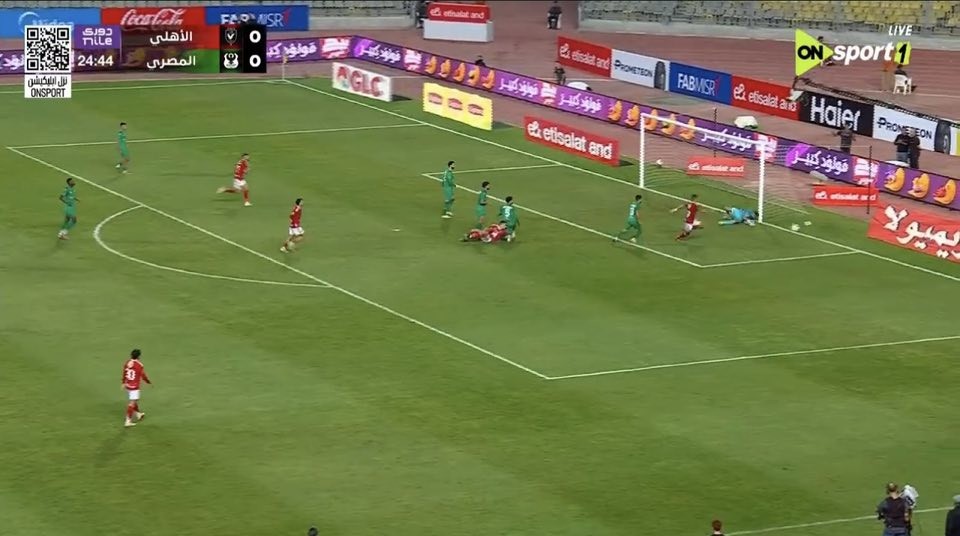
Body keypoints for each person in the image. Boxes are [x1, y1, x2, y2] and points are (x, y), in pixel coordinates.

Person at [122, 349, 151, 428]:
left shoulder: (127, 362)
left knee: (134, 400)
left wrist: (123, 382)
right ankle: (128, 421)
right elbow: (143, 375)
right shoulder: (139, 365)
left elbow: (124, 372)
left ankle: (138, 414)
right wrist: (148, 382)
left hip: (128, 385)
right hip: (134, 387)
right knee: (132, 403)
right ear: (139, 356)